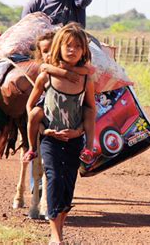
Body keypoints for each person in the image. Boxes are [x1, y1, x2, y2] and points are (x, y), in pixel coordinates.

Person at [25, 22, 96, 244]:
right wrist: (44, 129)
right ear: (58, 47)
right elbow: (30, 107)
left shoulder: (86, 79)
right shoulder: (45, 77)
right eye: (68, 45)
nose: (72, 50)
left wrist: (83, 137)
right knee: (54, 178)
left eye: (77, 46)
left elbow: (90, 109)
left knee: (68, 184)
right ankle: (56, 236)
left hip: (74, 141)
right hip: (50, 140)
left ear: (84, 50)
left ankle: (60, 225)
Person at [23, 31, 95, 165]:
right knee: (35, 113)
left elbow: (86, 70)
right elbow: (44, 66)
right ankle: (32, 149)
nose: (49, 54)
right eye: (45, 51)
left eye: (52, 50)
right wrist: (41, 128)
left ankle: (89, 149)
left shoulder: (80, 71)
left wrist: (66, 68)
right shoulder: (46, 70)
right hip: (48, 105)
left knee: (89, 111)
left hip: (72, 111)